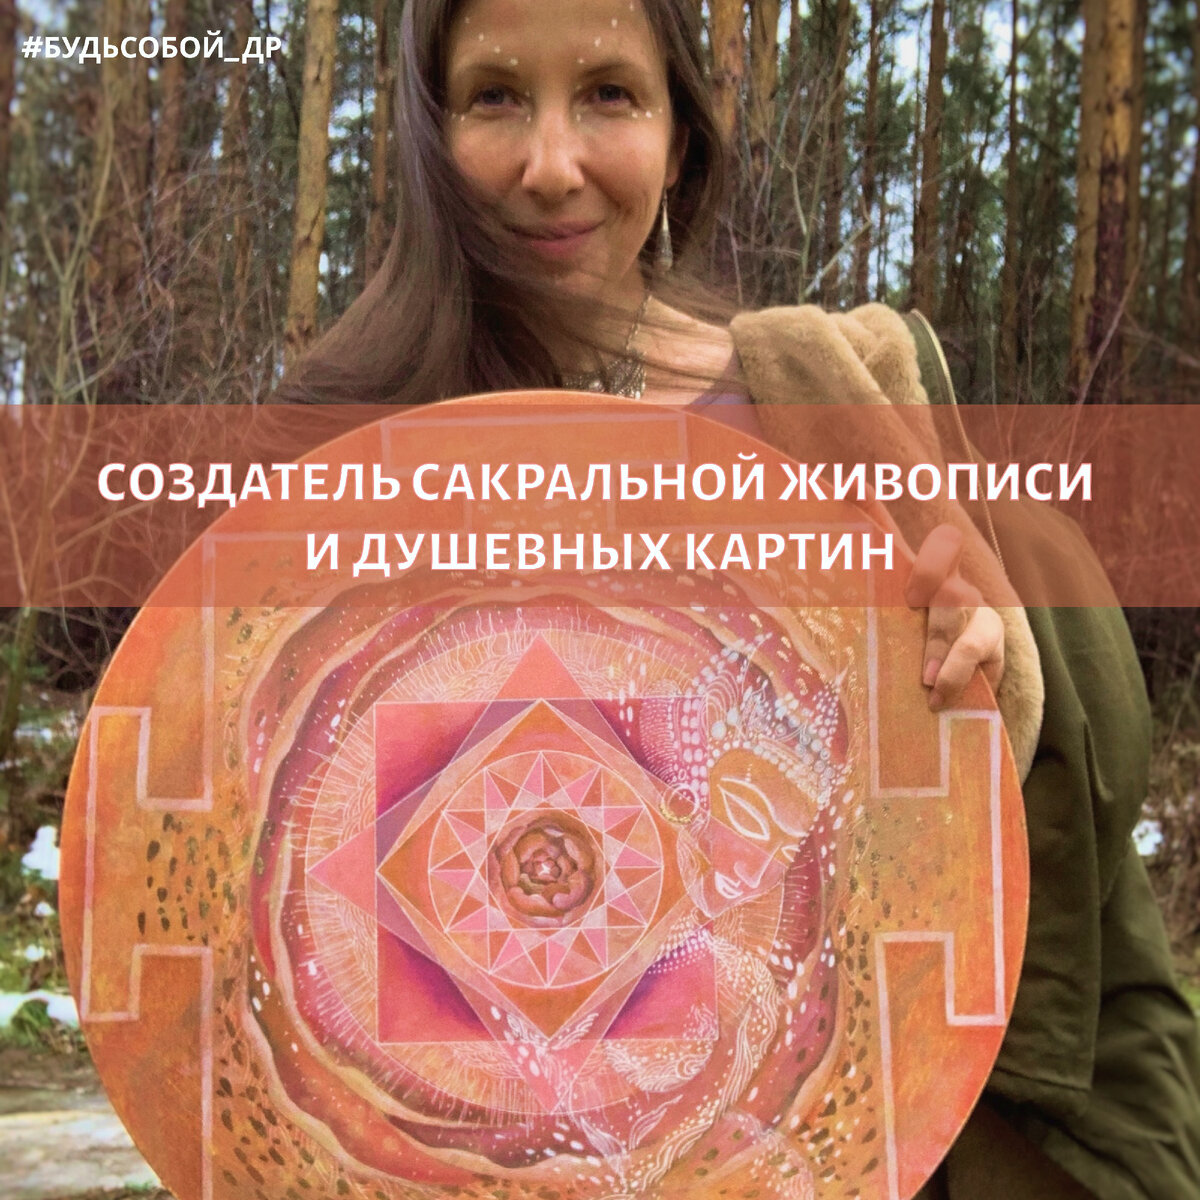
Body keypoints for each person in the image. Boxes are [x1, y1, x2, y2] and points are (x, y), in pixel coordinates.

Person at [276, 0, 1200, 1195]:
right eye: (495, 95)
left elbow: (923, 869)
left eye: (609, 93)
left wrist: (971, 692)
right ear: (428, 127)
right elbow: (275, 857)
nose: (551, 164)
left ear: (679, 140)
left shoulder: (817, 407)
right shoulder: (338, 455)